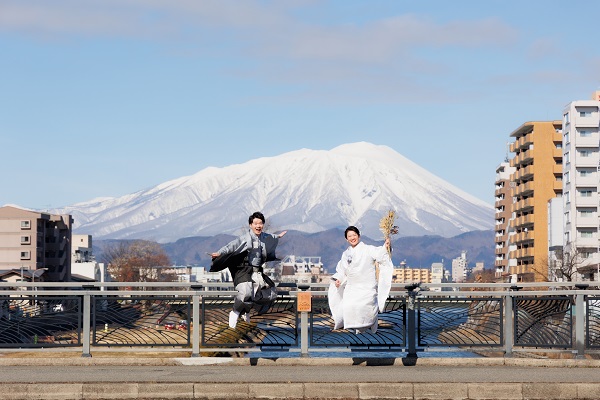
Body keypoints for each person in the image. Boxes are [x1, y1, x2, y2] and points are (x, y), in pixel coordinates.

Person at [211, 211, 287, 329]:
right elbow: (231, 246)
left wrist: (278, 236)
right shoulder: (245, 238)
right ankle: (235, 312)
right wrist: (220, 253)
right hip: (243, 270)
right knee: (246, 291)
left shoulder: (264, 237)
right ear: (250, 225)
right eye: (255, 223)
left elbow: (271, 237)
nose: (258, 226)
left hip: (257, 272)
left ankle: (246, 310)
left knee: (270, 293)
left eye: (260, 223)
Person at [328, 226, 393, 334]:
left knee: (365, 306)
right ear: (346, 239)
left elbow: (381, 254)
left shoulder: (368, 249)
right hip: (352, 286)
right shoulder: (346, 254)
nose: (352, 238)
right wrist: (339, 279)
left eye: (354, 235)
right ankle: (351, 326)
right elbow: (342, 270)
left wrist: (386, 246)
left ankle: (368, 324)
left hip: (367, 286)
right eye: (349, 236)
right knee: (349, 305)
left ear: (359, 236)